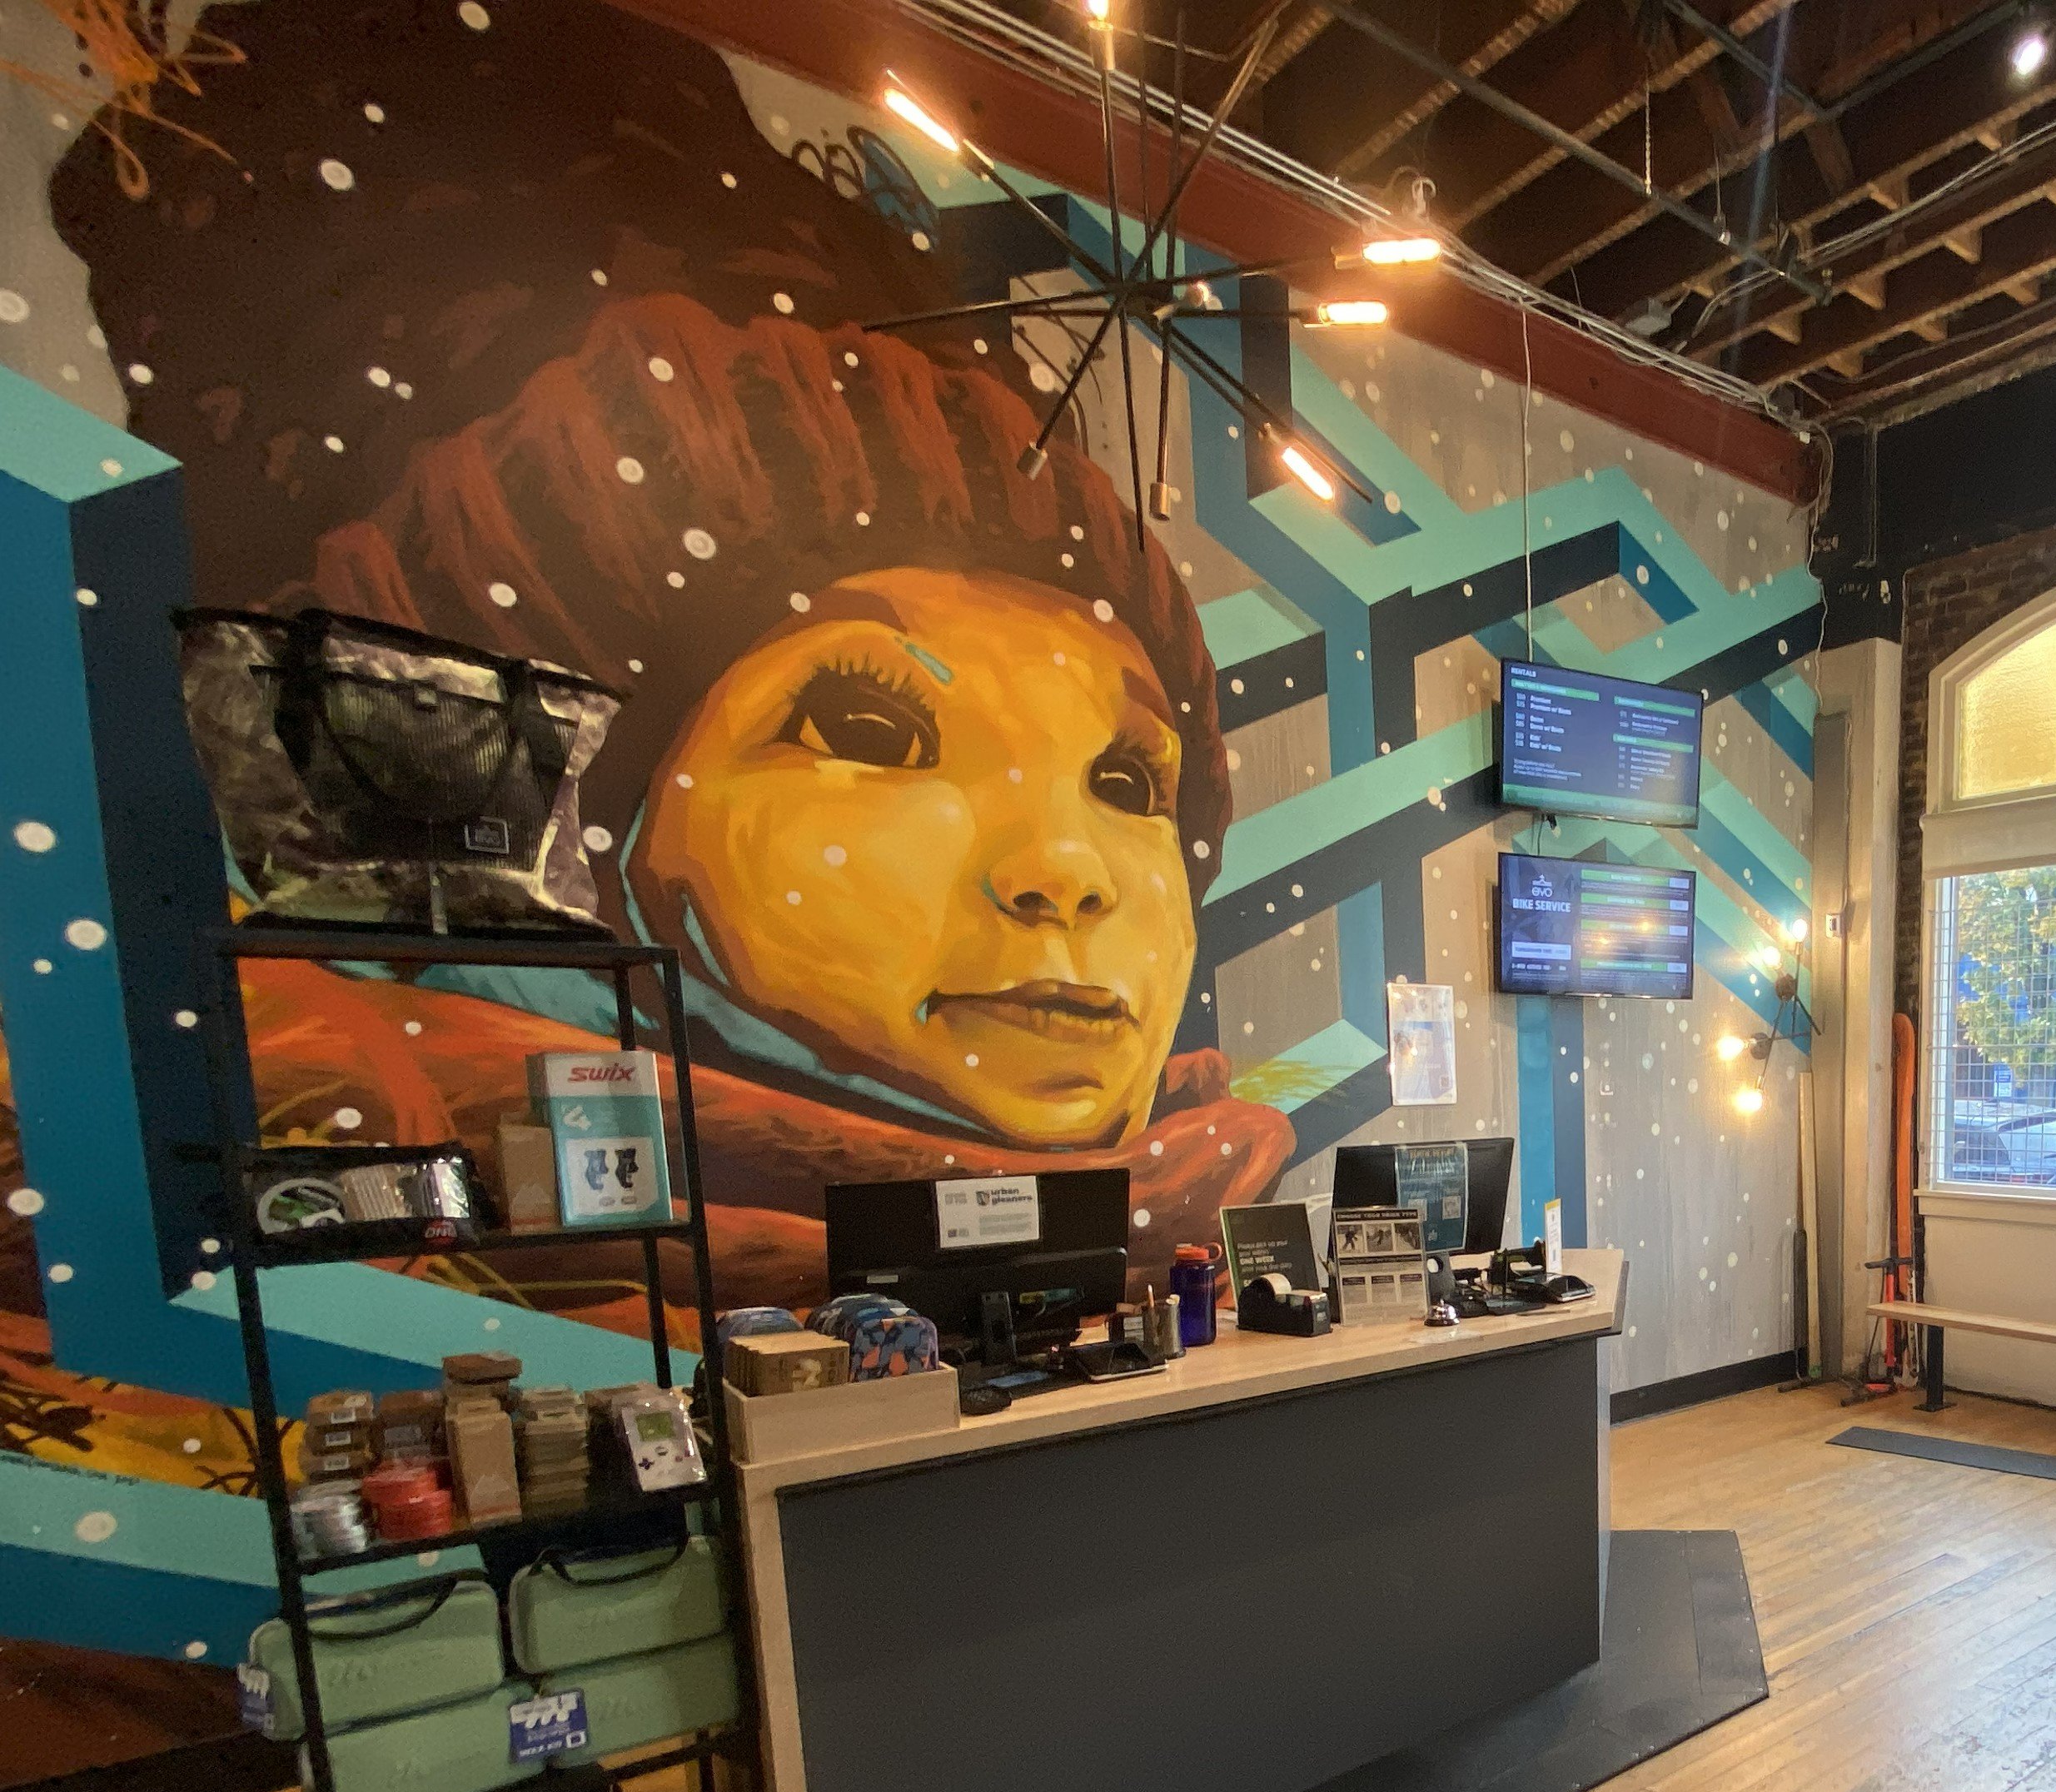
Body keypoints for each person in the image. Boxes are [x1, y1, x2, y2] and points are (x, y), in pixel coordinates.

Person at [43, 0, 1287, 1325]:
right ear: (585, 831)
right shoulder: (366, 1237)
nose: (1068, 873)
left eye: (1130, 781)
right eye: (867, 731)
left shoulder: (1170, 1216)